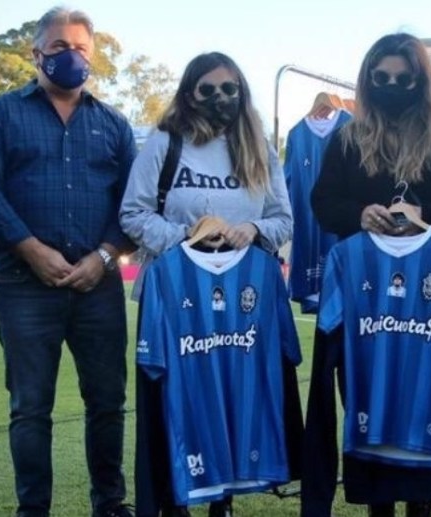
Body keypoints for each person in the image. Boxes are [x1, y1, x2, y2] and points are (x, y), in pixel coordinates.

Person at [306, 33, 431, 517]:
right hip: (366, 288)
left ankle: (423, 505)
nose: (391, 86)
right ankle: (378, 506)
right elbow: (323, 201)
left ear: (421, 80)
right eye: (381, 78)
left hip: (429, 284)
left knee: (425, 395)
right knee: (368, 396)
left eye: (403, 79)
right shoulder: (349, 137)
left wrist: (425, 217)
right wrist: (359, 214)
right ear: (368, 79)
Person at [0, 7, 136, 517]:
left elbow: (133, 204)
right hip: (24, 283)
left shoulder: (114, 124)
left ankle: (110, 503)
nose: (71, 55)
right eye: (60, 47)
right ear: (36, 53)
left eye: (80, 48)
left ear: (93, 56)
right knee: (30, 408)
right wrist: (31, 248)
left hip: (98, 286)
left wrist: (104, 256)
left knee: (107, 402)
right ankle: (33, 508)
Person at [119, 52, 294, 517]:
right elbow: (133, 213)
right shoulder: (165, 141)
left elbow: (283, 219)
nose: (220, 98)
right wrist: (186, 239)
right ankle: (172, 502)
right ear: (189, 93)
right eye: (208, 89)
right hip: (174, 293)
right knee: (172, 401)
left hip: (240, 299)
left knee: (231, 398)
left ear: (242, 92)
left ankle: (224, 502)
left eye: (229, 89)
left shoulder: (258, 148)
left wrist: (252, 230)